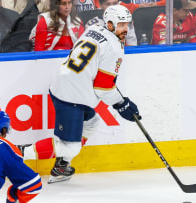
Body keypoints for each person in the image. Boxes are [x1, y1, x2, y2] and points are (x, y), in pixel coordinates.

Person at [47, 5, 140, 183]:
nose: (126, 29)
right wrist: (122, 104)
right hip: (72, 94)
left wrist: (119, 99)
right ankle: (23, 151)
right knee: (70, 147)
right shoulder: (115, 49)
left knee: (92, 121)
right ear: (110, 24)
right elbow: (102, 88)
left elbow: (98, 72)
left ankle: (61, 164)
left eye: (127, 24)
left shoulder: (93, 28)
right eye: (121, 25)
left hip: (65, 82)